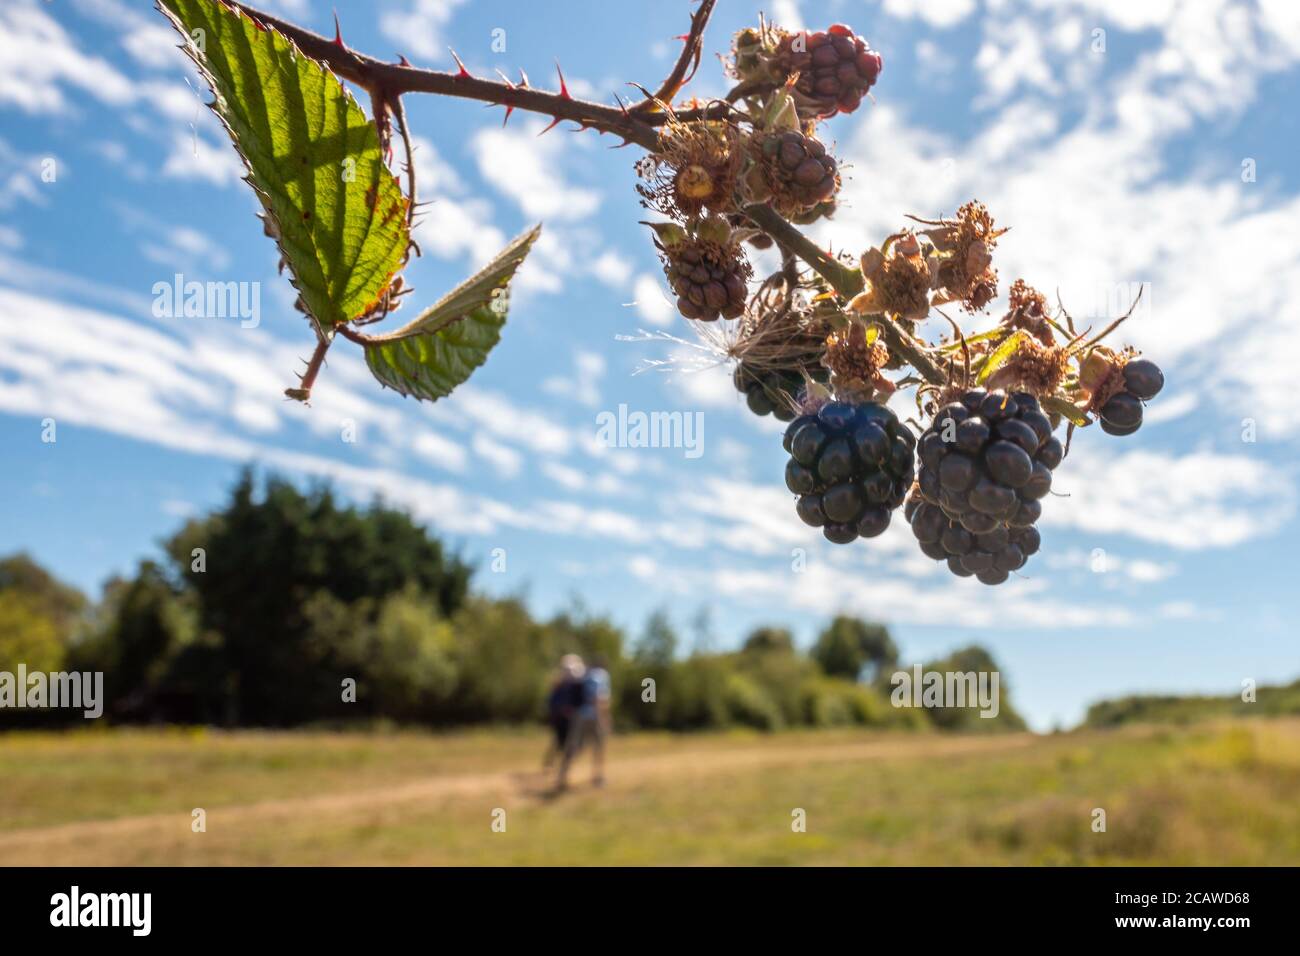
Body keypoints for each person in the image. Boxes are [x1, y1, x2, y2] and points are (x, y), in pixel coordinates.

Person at [557, 654, 611, 790]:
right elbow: (598, 698)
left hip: (579, 714)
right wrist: (603, 718)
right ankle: (598, 777)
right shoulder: (601, 675)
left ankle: (562, 777)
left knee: (573, 746)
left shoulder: (586, 675)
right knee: (599, 746)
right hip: (593, 715)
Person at [543, 655, 584, 770]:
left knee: (565, 743)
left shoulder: (574, 686)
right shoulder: (559, 686)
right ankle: (554, 765)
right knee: (559, 742)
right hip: (560, 719)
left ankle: (556, 765)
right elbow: (553, 703)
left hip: (568, 719)